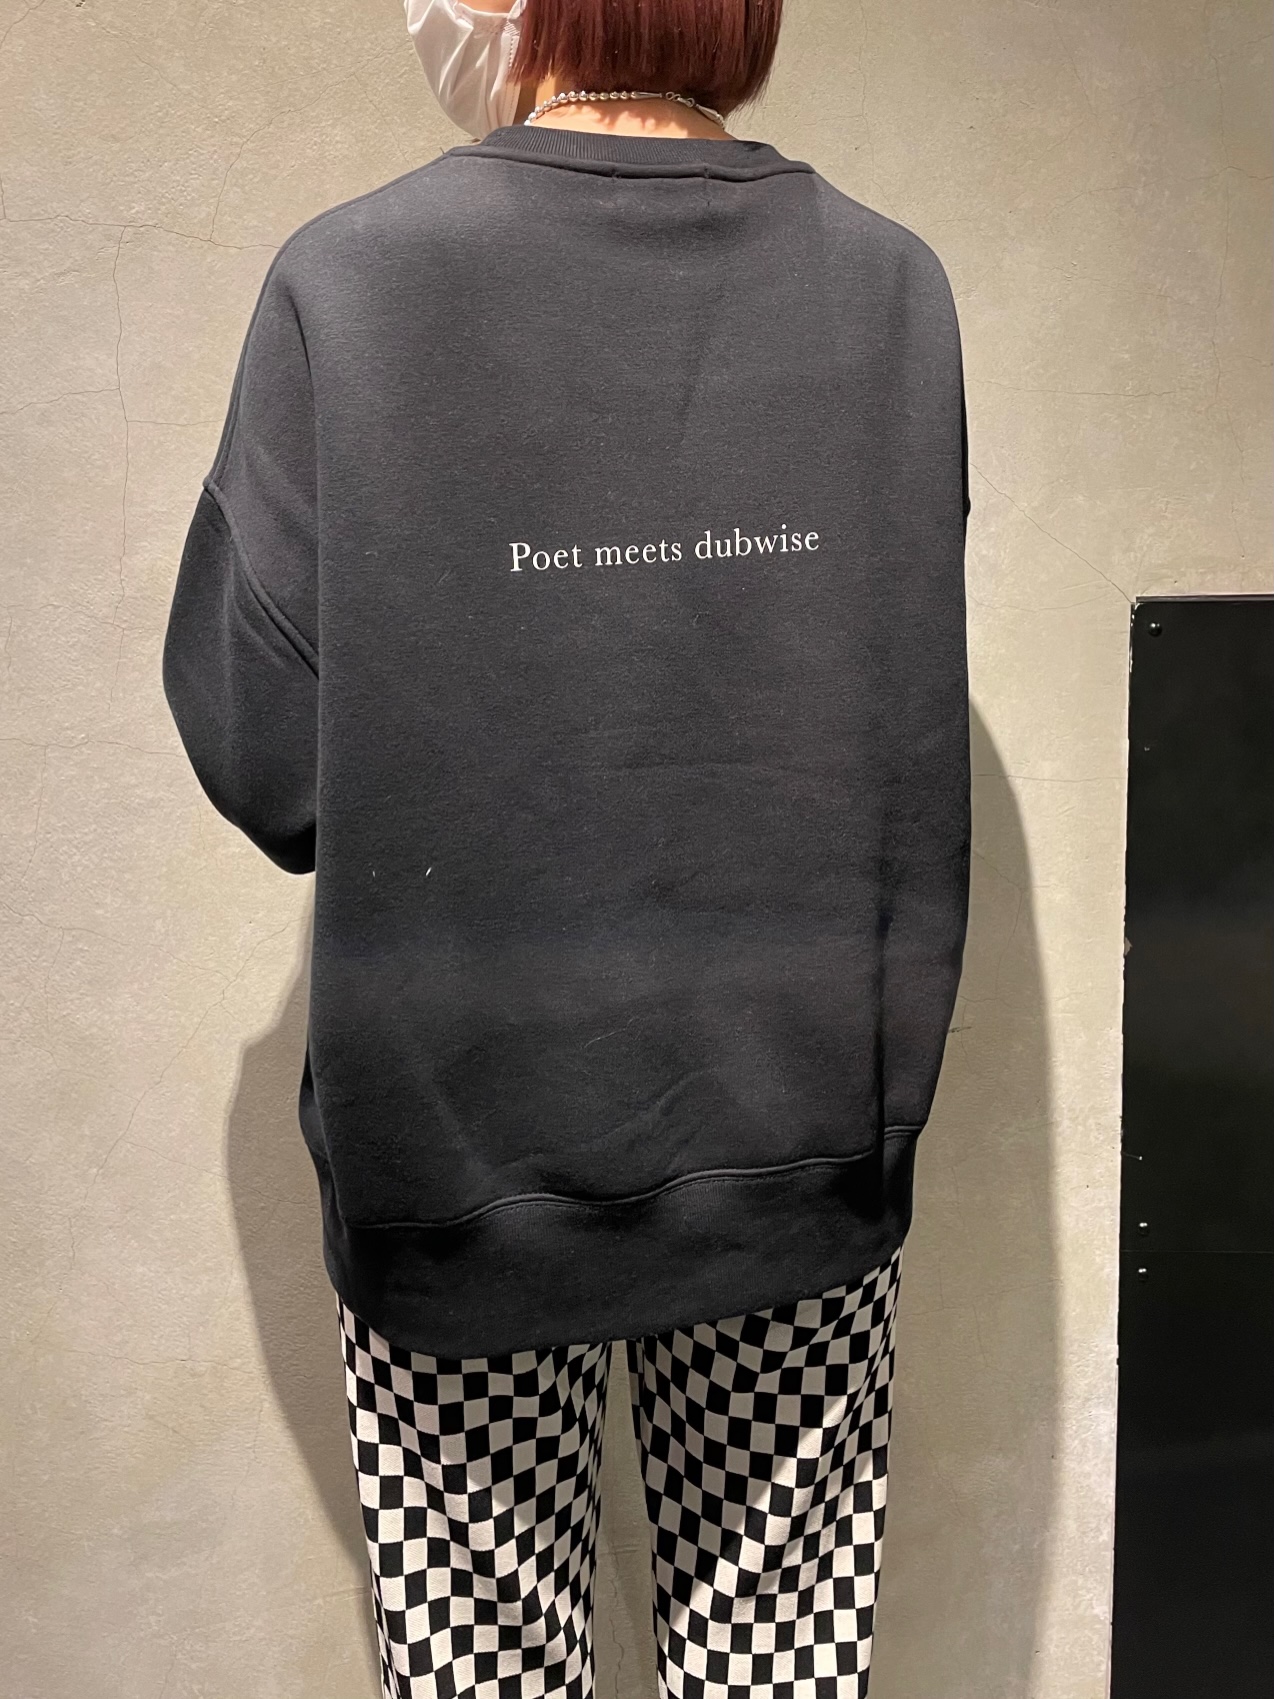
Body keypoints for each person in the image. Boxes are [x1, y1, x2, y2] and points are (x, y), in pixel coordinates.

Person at [161, 1, 971, 1693]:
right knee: (774, 1664)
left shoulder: (351, 284)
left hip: (460, 1154)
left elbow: (264, 759)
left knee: (482, 1671)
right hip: (800, 1141)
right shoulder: (892, 291)